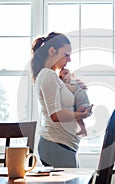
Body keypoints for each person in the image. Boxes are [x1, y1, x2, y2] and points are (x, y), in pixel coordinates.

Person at [30, 32, 93, 168]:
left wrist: (78, 106)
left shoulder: (53, 77)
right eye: (66, 55)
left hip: (62, 146)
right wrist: (80, 115)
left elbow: (64, 107)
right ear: (52, 51)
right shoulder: (47, 74)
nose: (69, 60)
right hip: (56, 146)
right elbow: (55, 115)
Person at [59, 68, 90, 137]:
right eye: (61, 76)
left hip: (83, 102)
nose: (63, 76)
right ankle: (83, 129)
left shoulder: (72, 81)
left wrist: (64, 83)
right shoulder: (68, 84)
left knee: (78, 115)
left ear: (71, 75)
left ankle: (83, 129)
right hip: (80, 104)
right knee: (78, 117)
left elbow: (73, 89)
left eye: (65, 73)